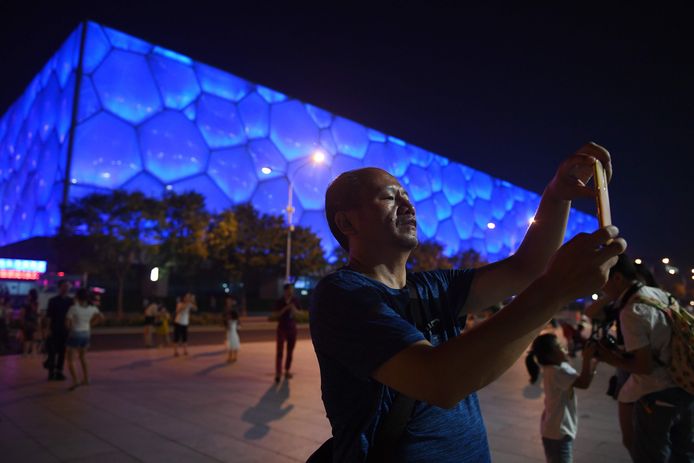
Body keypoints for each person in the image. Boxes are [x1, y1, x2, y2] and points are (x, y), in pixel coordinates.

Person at [310, 142, 626, 462]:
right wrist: (555, 290)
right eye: (389, 197)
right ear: (347, 224)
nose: (408, 205)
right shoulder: (342, 295)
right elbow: (440, 381)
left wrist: (558, 195)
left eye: (407, 196)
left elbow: (526, 268)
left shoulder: (434, 286)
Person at [595, 254, 694, 462]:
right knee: (683, 454)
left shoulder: (632, 311)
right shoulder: (659, 295)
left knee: (650, 456)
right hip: (685, 385)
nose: (602, 290)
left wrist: (607, 357)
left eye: (603, 283)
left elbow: (644, 365)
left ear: (618, 278)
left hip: (657, 394)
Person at [525, 333, 598, 463]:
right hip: (557, 434)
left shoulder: (560, 368)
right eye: (559, 347)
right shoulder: (555, 371)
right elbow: (583, 383)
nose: (564, 348)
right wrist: (587, 359)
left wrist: (594, 361)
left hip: (556, 431)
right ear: (550, 355)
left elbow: (583, 379)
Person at [65, 288, 104, 390]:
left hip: (75, 333)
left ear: (77, 297)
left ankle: (76, 380)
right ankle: (86, 378)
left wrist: (70, 328)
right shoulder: (92, 308)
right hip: (86, 333)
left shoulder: (73, 308)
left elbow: (67, 323)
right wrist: (91, 324)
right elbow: (101, 317)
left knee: (71, 359)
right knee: (83, 357)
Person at [273, 283, 301, 383]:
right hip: (282, 328)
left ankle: (287, 370)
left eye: (292, 290)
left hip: (292, 328)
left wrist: (293, 308)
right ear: (285, 291)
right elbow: (276, 314)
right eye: (289, 290)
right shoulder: (279, 301)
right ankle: (278, 373)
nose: (291, 292)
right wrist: (286, 308)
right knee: (279, 351)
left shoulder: (295, 300)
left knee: (290, 351)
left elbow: (298, 314)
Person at [45, 280, 72, 380]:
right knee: (52, 352)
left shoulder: (70, 301)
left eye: (68, 287)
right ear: (59, 287)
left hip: (65, 330)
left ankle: (59, 372)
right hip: (54, 329)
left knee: (62, 352)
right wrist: (48, 329)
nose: (67, 288)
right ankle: (51, 372)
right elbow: (49, 317)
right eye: (65, 286)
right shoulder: (53, 301)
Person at [173, 292, 197, 357]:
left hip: (185, 323)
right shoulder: (180, 303)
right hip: (178, 322)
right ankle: (176, 351)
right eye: (187, 297)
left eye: (189, 297)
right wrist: (187, 303)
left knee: (185, 337)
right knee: (176, 337)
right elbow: (178, 311)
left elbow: (195, 308)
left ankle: (185, 350)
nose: (188, 298)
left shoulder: (189, 304)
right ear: (184, 298)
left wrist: (193, 301)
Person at [20, 289, 40, 355]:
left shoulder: (26, 303)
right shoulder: (36, 303)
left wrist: (22, 323)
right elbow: (37, 313)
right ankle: (33, 352)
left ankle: (26, 352)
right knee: (33, 338)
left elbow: (22, 314)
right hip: (33, 322)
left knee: (27, 338)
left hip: (27, 322)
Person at [224, 295, 240, 363]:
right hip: (230, 329)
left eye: (229, 301)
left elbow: (236, 318)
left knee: (233, 342)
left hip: (233, 329)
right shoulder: (227, 309)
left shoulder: (233, 309)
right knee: (230, 343)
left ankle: (234, 357)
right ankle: (231, 357)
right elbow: (225, 318)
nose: (228, 302)